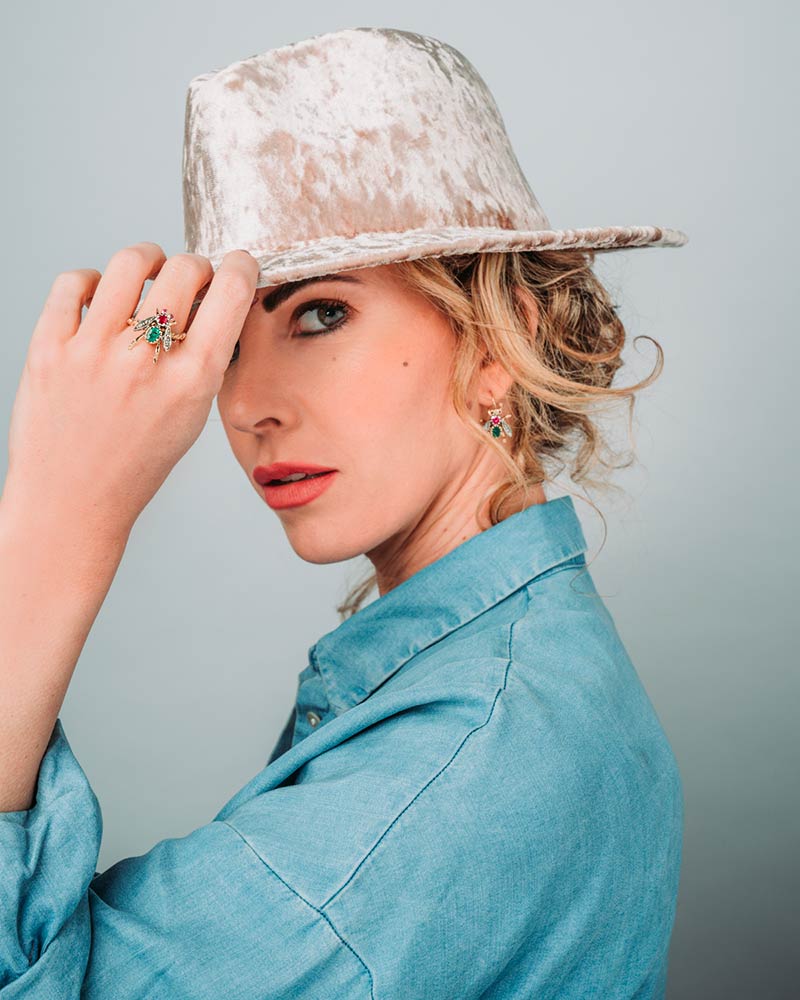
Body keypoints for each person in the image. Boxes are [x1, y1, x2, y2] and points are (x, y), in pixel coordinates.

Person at [0, 26, 688, 999]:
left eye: (319, 314)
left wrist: (56, 516)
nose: (247, 405)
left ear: (497, 343)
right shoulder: (510, 672)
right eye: (229, 347)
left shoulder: (457, 763)